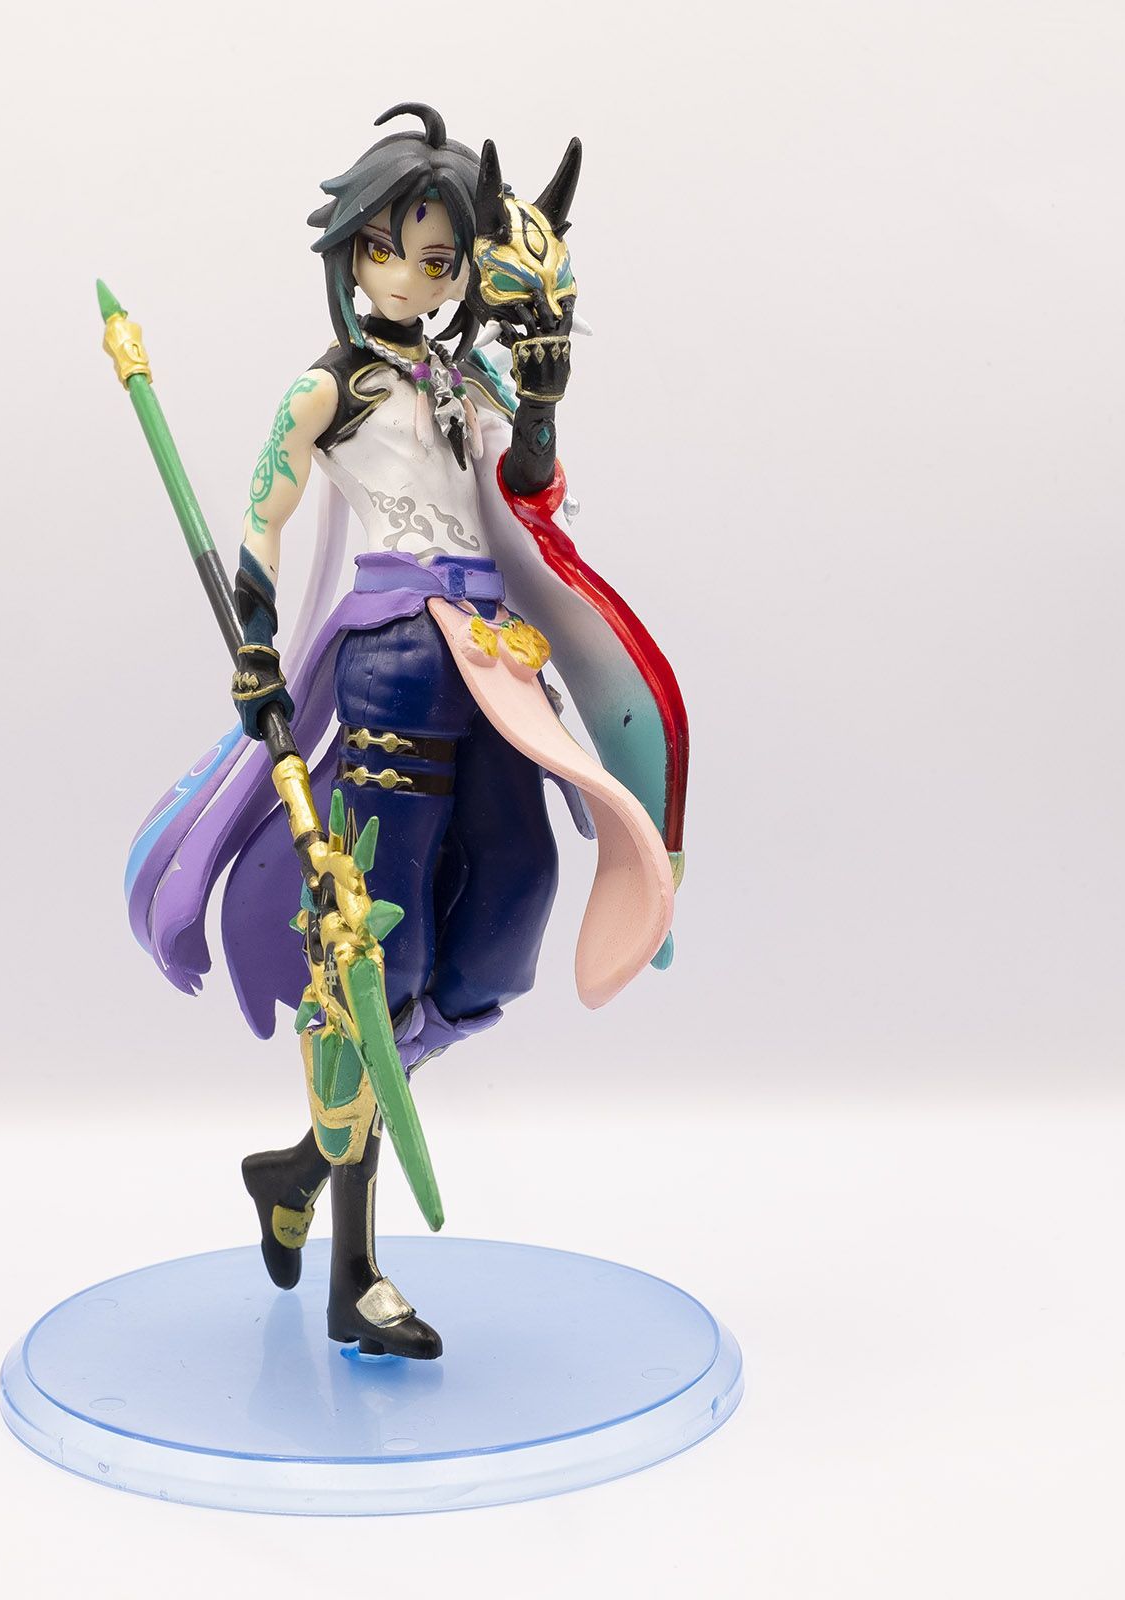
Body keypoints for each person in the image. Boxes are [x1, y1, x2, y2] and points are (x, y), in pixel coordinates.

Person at [125, 105, 688, 1359]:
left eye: (438, 260)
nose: (412, 277)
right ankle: (355, 1275)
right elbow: (264, 516)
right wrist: (257, 648)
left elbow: (524, 492)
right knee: (378, 947)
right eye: (389, 249)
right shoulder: (329, 386)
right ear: (351, 249)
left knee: (504, 920)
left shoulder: (468, 378)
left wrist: (542, 401)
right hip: (391, 664)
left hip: (496, 665)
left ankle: (303, 1158)